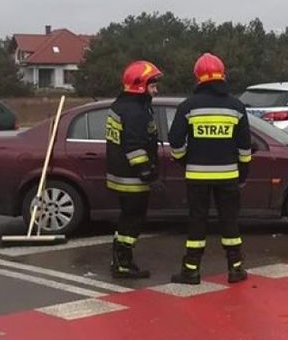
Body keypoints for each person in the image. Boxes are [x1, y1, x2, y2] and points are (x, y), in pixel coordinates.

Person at [168, 53, 254, 285]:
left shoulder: (188, 106)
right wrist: (243, 173)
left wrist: (184, 161)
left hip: (197, 176)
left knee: (197, 221)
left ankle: (191, 270)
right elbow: (245, 146)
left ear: (198, 78)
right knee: (230, 221)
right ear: (222, 75)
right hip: (228, 176)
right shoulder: (236, 106)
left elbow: (175, 141)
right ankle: (235, 268)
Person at [105, 60, 163, 279]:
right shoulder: (135, 111)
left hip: (120, 173)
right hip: (132, 177)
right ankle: (122, 264)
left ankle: (120, 260)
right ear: (140, 85)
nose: (155, 90)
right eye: (153, 85)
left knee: (127, 218)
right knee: (133, 219)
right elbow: (134, 145)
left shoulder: (121, 105)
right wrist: (146, 171)